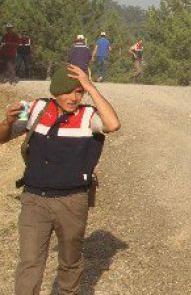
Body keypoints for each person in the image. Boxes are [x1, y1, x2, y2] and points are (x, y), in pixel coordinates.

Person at [0, 64, 120, 295]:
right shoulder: (35, 108)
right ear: (55, 92)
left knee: (70, 261)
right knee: (30, 263)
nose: (73, 98)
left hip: (72, 201)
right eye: (67, 91)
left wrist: (90, 86)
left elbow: (113, 124)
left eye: (78, 92)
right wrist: (6, 122)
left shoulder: (88, 116)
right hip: (34, 199)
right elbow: (3, 138)